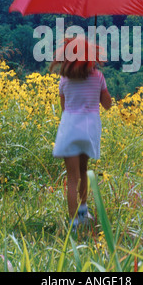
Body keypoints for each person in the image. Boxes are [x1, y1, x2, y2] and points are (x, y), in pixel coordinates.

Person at [50, 36, 112, 230]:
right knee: (84, 171)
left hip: (70, 128)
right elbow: (108, 105)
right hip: (89, 128)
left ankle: (74, 223)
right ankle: (84, 210)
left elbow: (64, 107)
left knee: (72, 178)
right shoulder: (98, 77)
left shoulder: (64, 80)